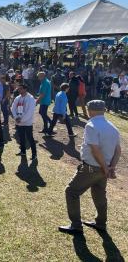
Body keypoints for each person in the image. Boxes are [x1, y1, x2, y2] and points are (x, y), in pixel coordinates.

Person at [59, 100, 121, 234]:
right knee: (99, 194)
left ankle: (76, 225)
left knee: (71, 192)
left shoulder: (91, 125)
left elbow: (95, 149)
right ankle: (101, 223)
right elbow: (118, 150)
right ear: (103, 110)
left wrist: (105, 167)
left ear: (90, 110)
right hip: (103, 169)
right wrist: (111, 167)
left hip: (91, 167)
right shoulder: (113, 127)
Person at [11, 84, 37, 161]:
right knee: (21, 137)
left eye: (21, 89)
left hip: (27, 123)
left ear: (25, 89)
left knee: (30, 138)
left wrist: (21, 120)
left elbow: (30, 112)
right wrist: (16, 117)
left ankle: (34, 154)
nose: (19, 90)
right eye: (18, 89)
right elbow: (13, 108)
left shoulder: (30, 98)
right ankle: (23, 151)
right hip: (18, 122)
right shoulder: (18, 98)